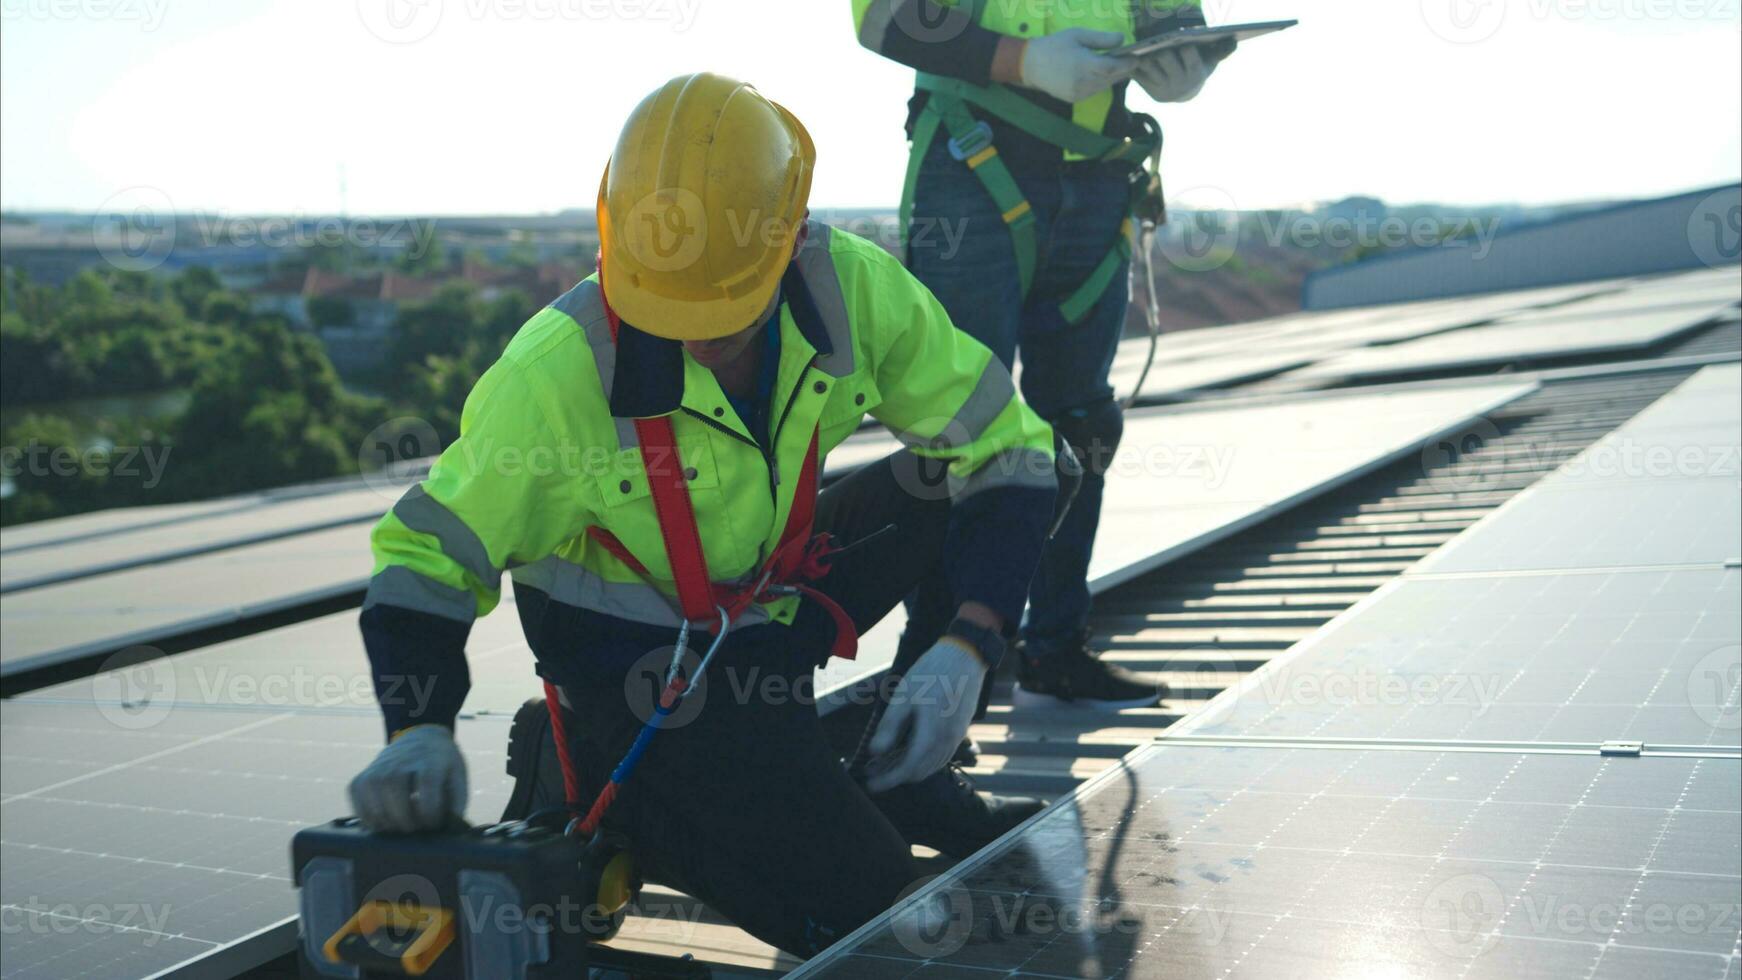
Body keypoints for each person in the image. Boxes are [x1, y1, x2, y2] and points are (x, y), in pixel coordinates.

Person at [345, 73, 1063, 957]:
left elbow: (1011, 450)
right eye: (668, 309)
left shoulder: (850, 292)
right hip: (648, 688)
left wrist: (966, 647)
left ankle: (907, 757)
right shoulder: (554, 376)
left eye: (721, 314)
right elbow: (428, 555)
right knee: (891, 926)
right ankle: (620, 779)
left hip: (763, 607)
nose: (693, 337)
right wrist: (416, 727)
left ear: (791, 239)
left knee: (985, 476)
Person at [853, 0, 1233, 708]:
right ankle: (933, 680)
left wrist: (1181, 58)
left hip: (1098, 170)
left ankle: (1056, 648)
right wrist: (1023, 61)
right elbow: (883, 17)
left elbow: (1173, 16)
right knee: (958, 423)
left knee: (1081, 419)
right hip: (974, 155)